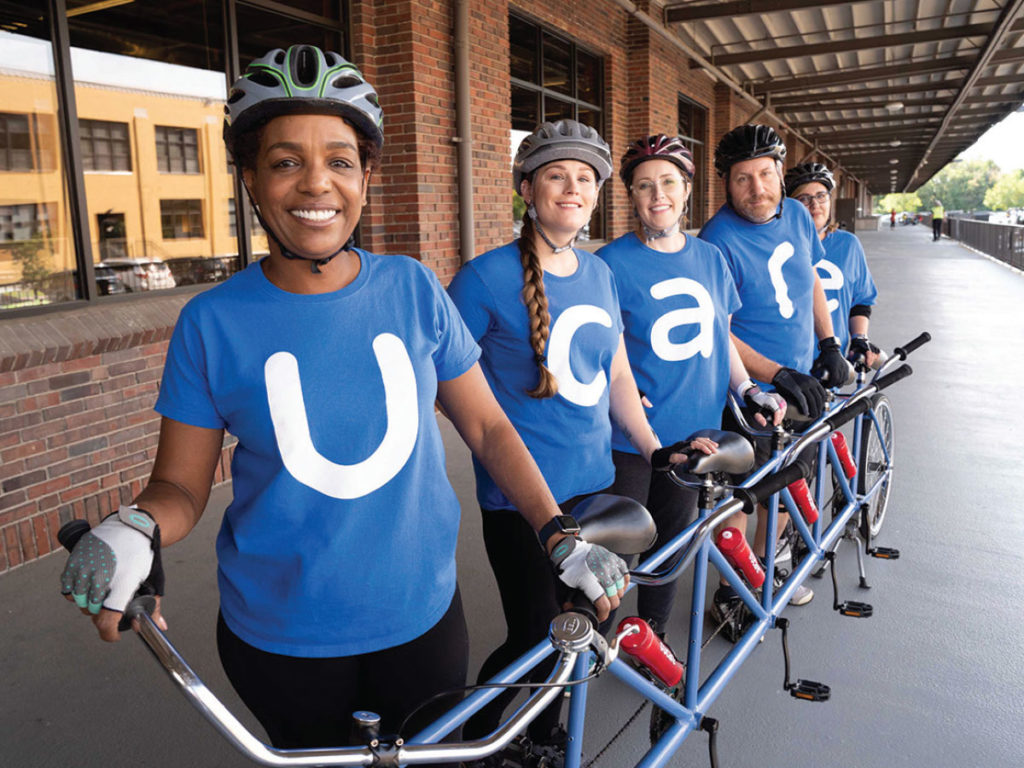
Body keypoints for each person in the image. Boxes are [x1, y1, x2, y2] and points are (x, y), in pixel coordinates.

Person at [58, 46, 629, 755]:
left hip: (421, 619)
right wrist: (135, 527)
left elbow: (487, 426)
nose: (315, 183)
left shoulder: (413, 289)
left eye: (340, 160)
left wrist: (555, 530)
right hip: (277, 636)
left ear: (365, 176)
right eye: (285, 160)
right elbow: (180, 483)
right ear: (250, 178)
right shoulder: (211, 322)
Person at [447, 120, 704, 748]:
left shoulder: (598, 274)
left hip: (596, 488)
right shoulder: (481, 280)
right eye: (556, 175)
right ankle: (467, 745)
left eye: (584, 178)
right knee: (533, 634)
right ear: (527, 190)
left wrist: (652, 448)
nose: (572, 188)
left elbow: (616, 371)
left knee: (579, 628)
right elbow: (445, 385)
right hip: (522, 503)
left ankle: (548, 734)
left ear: (596, 194)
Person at [596, 134, 785, 639]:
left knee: (672, 546)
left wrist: (748, 389)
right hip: (629, 442)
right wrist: (615, 389)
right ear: (631, 196)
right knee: (614, 560)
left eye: (667, 183)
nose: (657, 195)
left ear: (686, 189)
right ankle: (585, 664)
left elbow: (721, 335)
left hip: (695, 434)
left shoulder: (710, 258)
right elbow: (596, 347)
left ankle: (650, 640)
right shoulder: (609, 264)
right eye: (643, 186)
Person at [698, 124, 849, 617]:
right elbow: (719, 329)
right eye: (743, 179)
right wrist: (777, 373)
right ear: (726, 182)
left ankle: (765, 568)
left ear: (781, 174)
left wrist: (828, 343)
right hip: (748, 392)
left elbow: (809, 281)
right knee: (744, 495)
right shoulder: (716, 240)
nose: (757, 189)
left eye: (765, 174)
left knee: (783, 488)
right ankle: (730, 591)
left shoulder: (800, 219)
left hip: (800, 381)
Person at [785, 162, 879, 368]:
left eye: (821, 196)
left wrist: (859, 337)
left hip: (833, 362)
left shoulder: (848, 245)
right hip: (786, 364)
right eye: (804, 198)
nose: (815, 204)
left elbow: (860, 301)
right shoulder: (780, 248)